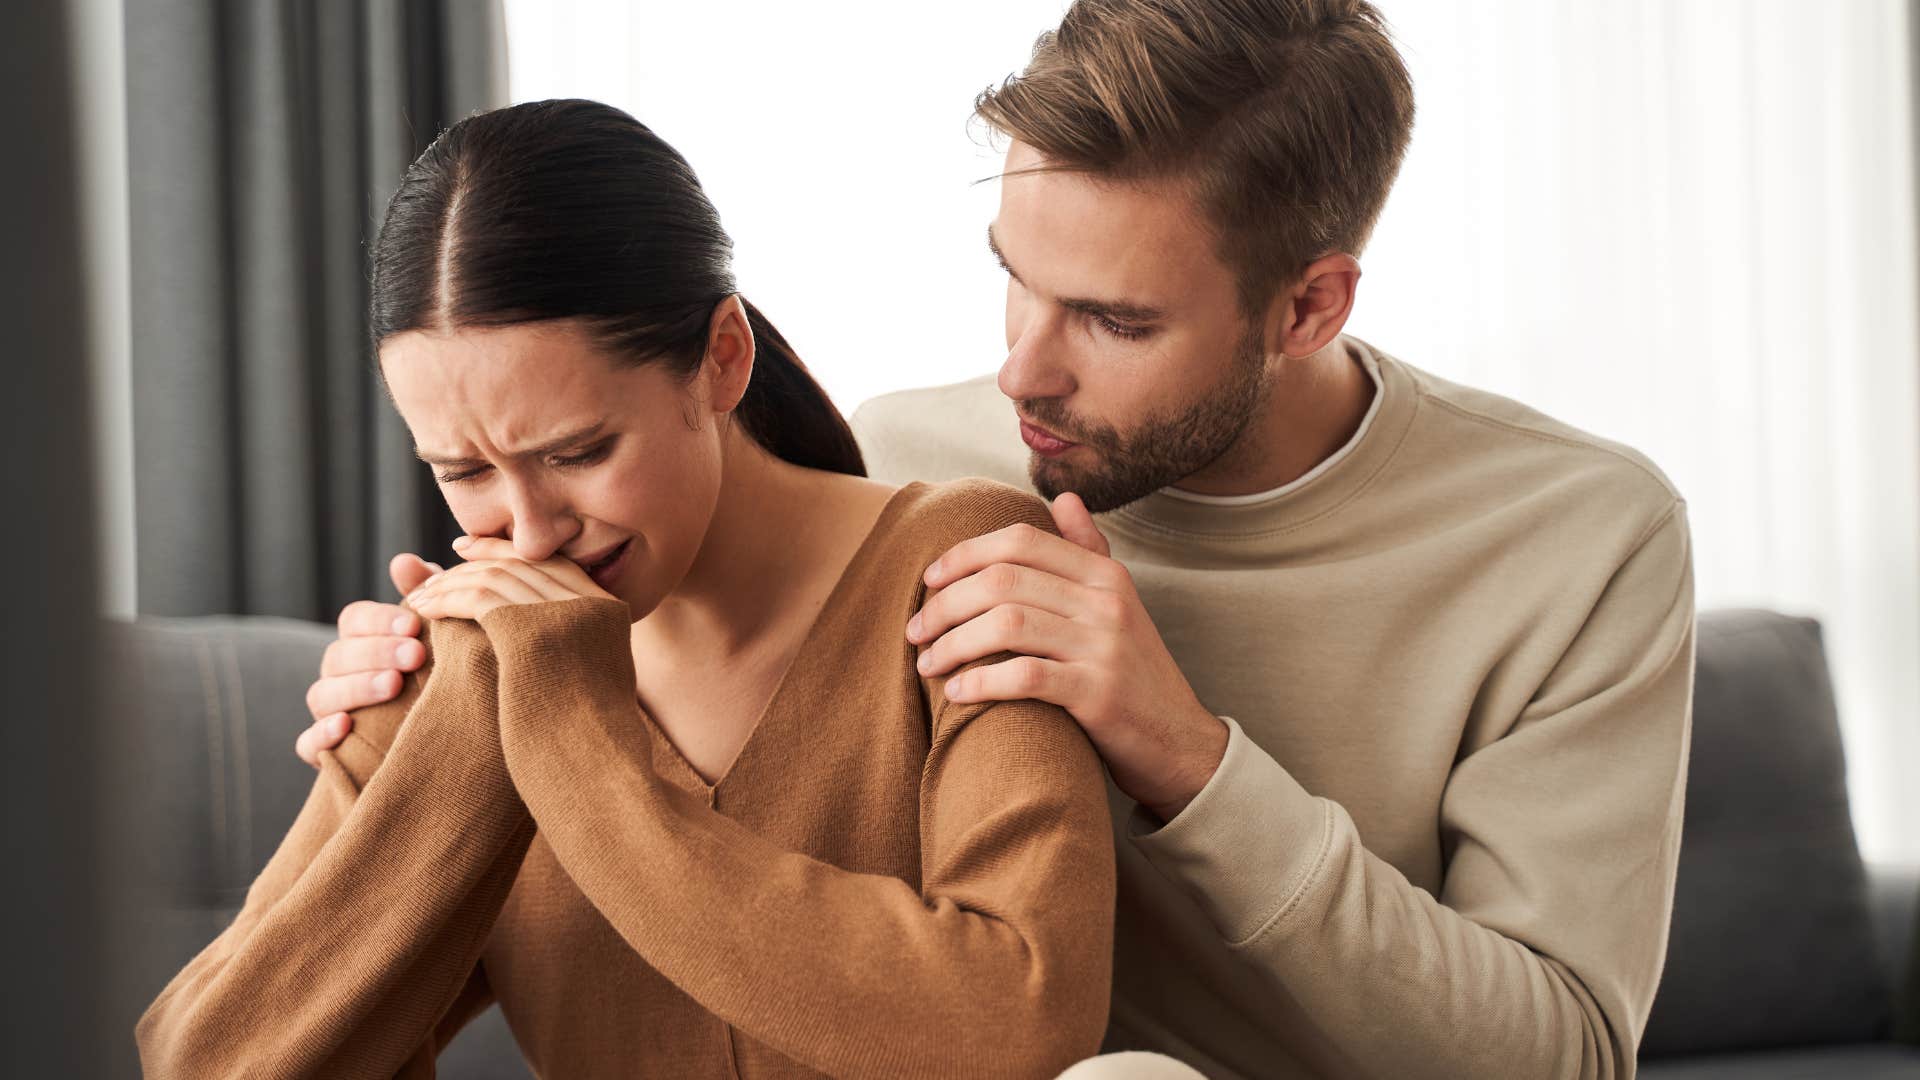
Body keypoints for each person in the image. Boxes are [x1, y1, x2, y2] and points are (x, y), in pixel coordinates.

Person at [304, 2, 1696, 1077]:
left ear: (1308, 310)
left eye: (1114, 321)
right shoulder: (905, 467)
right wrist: (417, 712)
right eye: (1014, 281)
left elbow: (1560, 1055)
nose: (1024, 372)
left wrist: (1189, 758)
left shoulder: (1577, 539)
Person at [137, 98, 1117, 1079]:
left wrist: (571, 741)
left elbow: (1016, 1023)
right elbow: (206, 1061)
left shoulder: (965, 566)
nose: (526, 531)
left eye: (578, 451)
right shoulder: (467, 656)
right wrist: (476, 721)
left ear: (722, 357)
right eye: (462, 471)